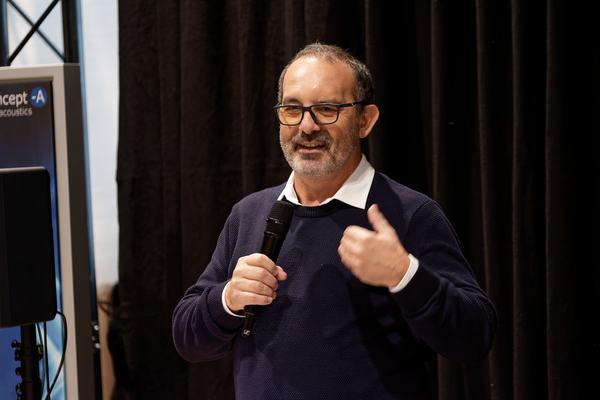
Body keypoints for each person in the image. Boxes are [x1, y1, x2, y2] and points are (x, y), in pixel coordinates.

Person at [172, 42, 497, 399]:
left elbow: (475, 337)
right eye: (292, 109)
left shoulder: (410, 214)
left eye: (326, 109)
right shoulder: (249, 214)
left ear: (365, 120)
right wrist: (228, 299)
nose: (307, 126)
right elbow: (188, 341)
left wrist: (405, 276)